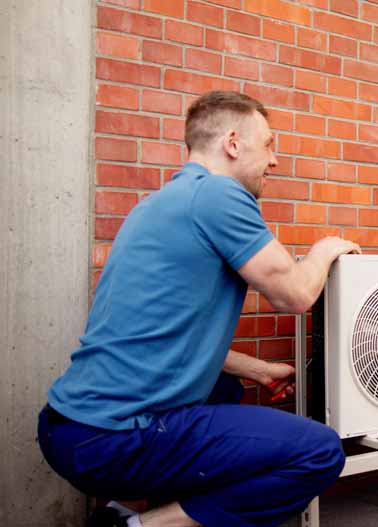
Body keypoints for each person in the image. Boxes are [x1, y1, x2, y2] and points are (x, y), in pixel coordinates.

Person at [38, 91, 360, 527]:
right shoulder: (218, 196)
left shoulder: (159, 204)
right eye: (268, 144)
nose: (275, 161)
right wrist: (325, 250)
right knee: (318, 451)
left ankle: (121, 507)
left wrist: (258, 369)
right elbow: (296, 295)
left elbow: (161, 334)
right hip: (114, 437)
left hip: (69, 428)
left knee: (225, 391)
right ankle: (136, 526)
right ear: (232, 143)